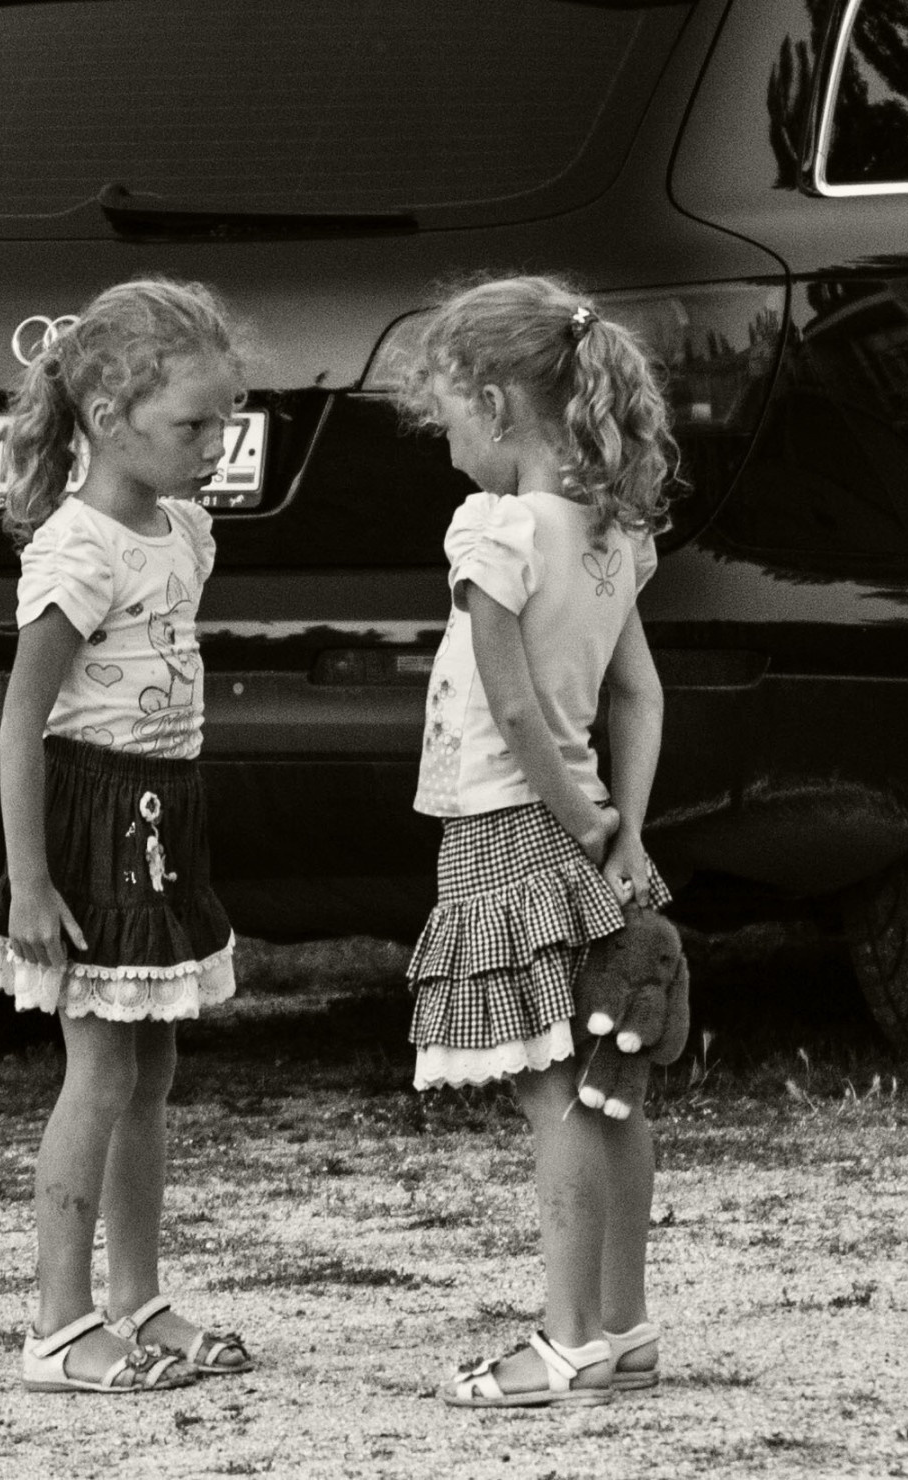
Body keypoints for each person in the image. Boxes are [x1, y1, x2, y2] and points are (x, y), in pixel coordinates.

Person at [390, 275, 677, 1408]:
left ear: (500, 406)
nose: (452, 444)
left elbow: (511, 710)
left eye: (453, 418)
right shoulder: (611, 536)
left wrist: (570, 818)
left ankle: (562, 1342)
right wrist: (622, 833)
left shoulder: (494, 528)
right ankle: (623, 1325)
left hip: (511, 827)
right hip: (589, 827)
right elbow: (641, 697)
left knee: (551, 1089)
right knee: (611, 1087)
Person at [0, 278, 254, 1394]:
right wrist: (31, 881)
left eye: (223, 422)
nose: (214, 446)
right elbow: (20, 721)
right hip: (94, 824)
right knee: (98, 1070)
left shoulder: (182, 530)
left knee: (152, 1065)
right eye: (192, 425)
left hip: (163, 811)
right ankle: (58, 1324)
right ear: (106, 416)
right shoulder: (77, 549)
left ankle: (138, 1298)